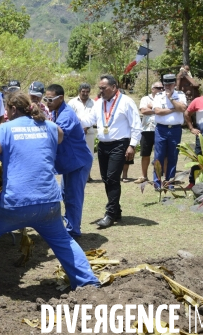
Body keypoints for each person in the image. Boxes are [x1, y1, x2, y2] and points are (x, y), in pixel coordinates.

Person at [0, 91, 100, 299]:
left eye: (7, 110)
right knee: (63, 240)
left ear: (13, 109)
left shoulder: (6, 129)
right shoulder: (51, 127)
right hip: (49, 202)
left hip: (15, 203)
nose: (6, 114)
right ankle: (88, 282)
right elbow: (60, 137)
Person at [81, 75, 141, 228]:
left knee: (113, 178)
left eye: (103, 88)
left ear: (114, 87)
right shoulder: (98, 103)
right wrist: (72, 118)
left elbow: (136, 125)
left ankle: (110, 213)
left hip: (120, 144)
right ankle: (117, 210)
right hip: (103, 145)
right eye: (99, 88)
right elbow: (89, 120)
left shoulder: (126, 102)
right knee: (106, 179)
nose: (100, 91)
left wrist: (132, 145)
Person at [45, 84, 93, 238]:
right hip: (69, 163)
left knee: (73, 197)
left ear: (61, 98)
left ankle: (73, 231)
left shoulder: (66, 115)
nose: (47, 102)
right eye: (46, 99)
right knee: (65, 194)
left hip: (78, 163)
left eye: (50, 99)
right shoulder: (56, 111)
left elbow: (58, 137)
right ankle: (69, 224)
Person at [152, 74, 187, 189]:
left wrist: (171, 99)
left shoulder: (180, 95)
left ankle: (169, 182)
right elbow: (157, 111)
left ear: (174, 84)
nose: (168, 86)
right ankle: (157, 183)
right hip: (161, 129)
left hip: (175, 130)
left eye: (170, 84)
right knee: (159, 156)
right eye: (166, 84)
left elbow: (182, 109)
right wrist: (174, 109)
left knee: (173, 156)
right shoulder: (158, 96)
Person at [134, 82, 162, 184]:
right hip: (147, 129)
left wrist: (151, 108)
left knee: (159, 154)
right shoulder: (145, 99)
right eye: (157, 88)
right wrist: (157, 110)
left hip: (160, 128)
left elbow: (166, 110)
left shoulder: (164, 98)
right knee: (145, 153)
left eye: (161, 88)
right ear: (152, 89)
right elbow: (143, 111)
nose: (160, 89)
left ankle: (158, 176)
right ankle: (144, 176)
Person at [67, 83, 96, 182]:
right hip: (75, 132)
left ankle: (87, 175)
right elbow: (69, 116)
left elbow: (95, 117)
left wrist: (86, 127)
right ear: (79, 91)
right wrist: (79, 127)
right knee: (76, 153)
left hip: (89, 132)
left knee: (89, 154)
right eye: (83, 91)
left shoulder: (93, 103)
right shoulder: (72, 102)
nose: (85, 93)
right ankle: (77, 174)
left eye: (87, 92)